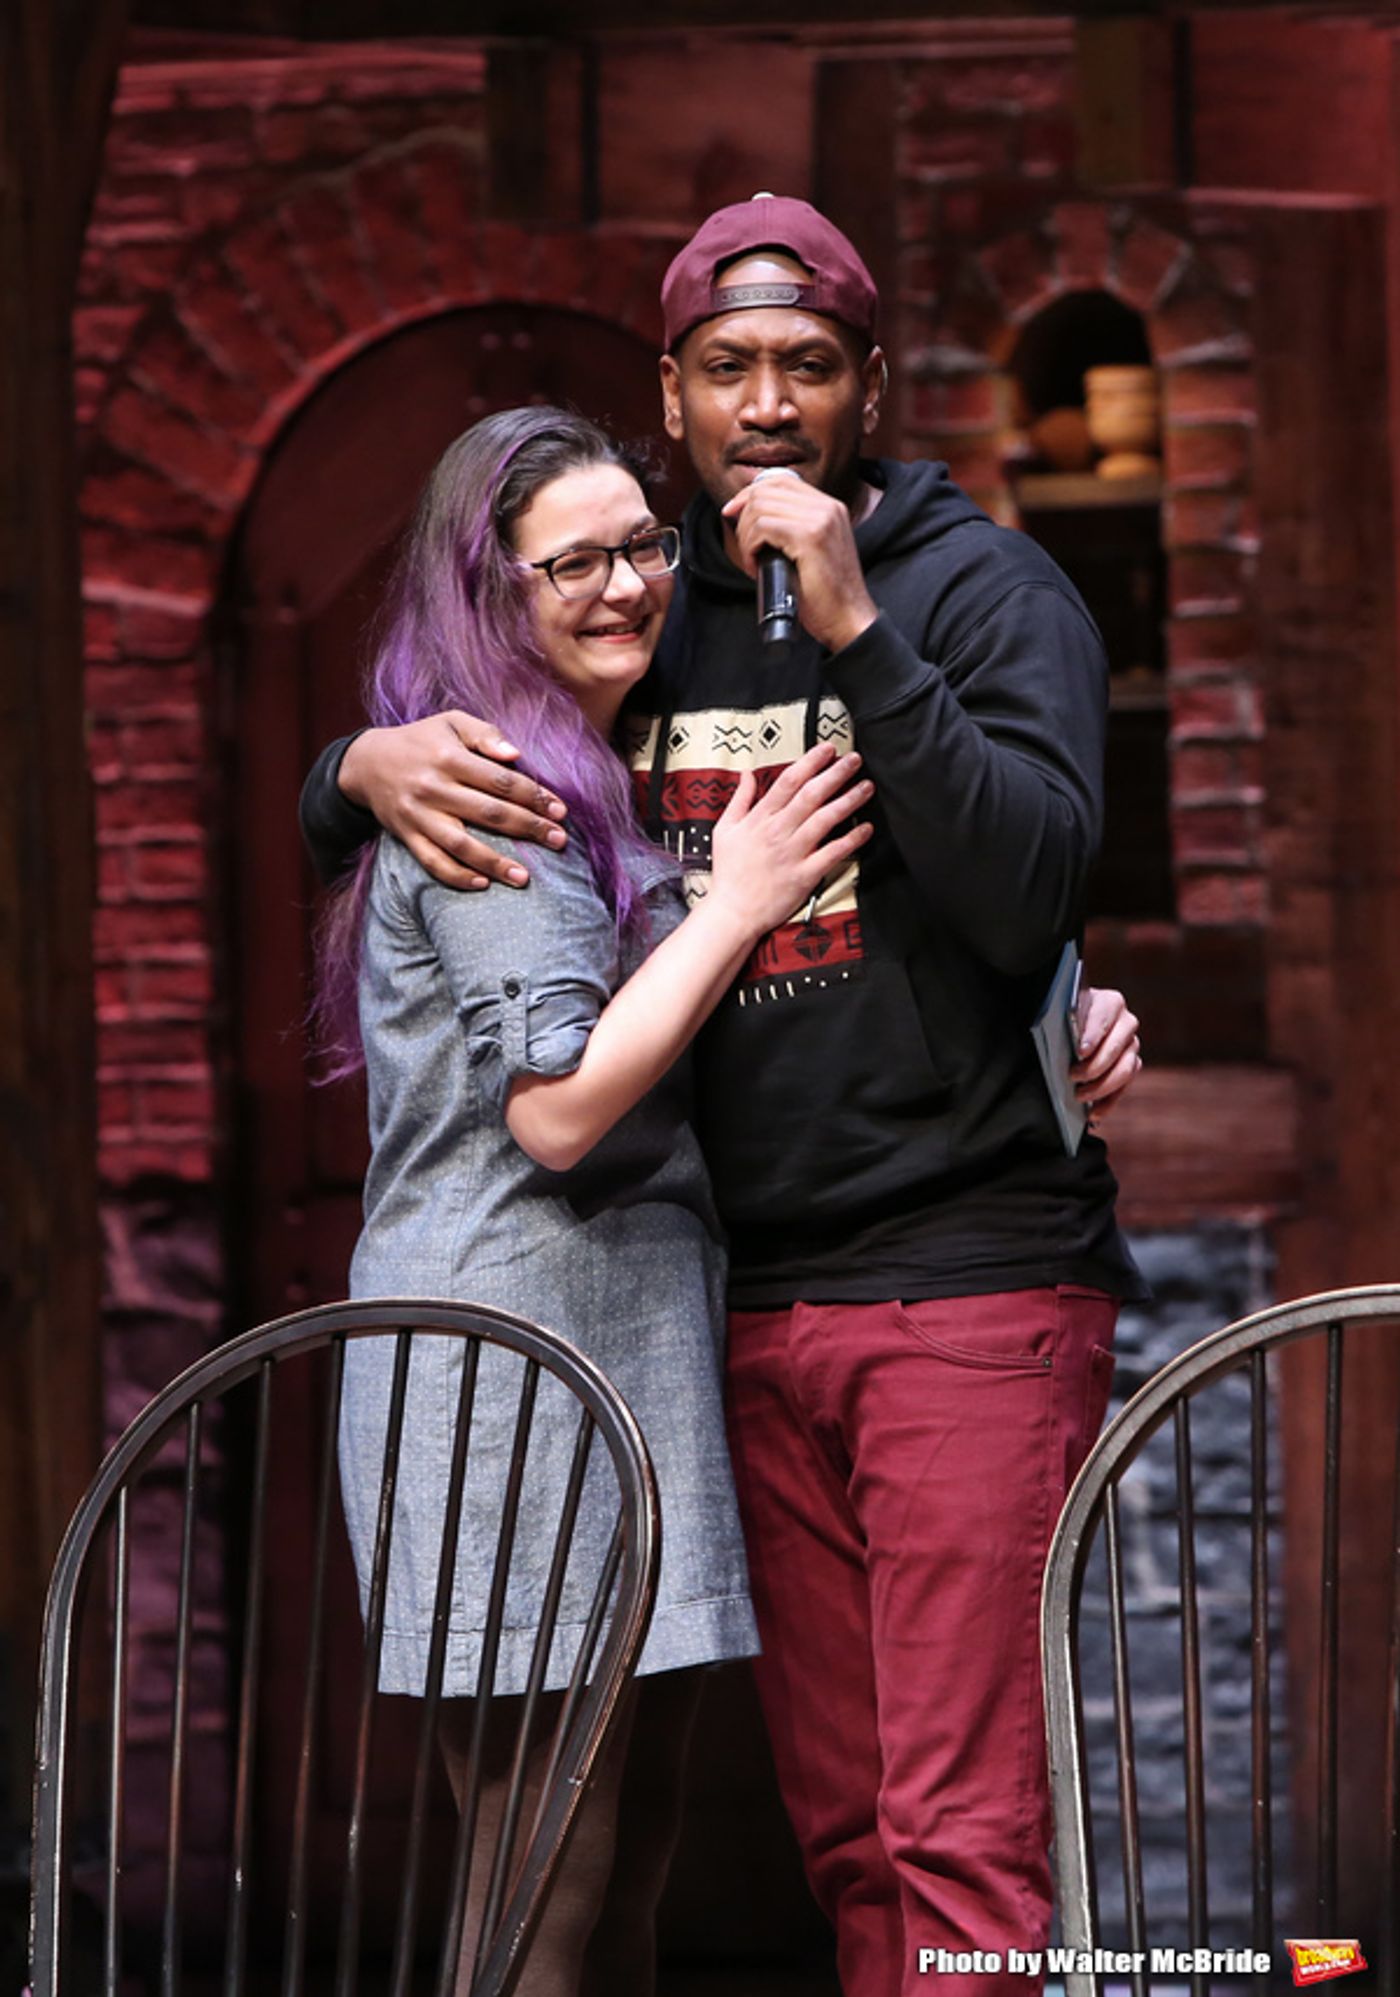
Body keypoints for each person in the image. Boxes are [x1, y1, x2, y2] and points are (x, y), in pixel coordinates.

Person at [302, 197, 1147, 1997]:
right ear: (673, 396)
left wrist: (861, 634)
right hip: (737, 1303)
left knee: (957, 1840)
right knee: (837, 1836)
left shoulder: (983, 591)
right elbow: (481, 727)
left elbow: (1026, 886)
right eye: (728, 367)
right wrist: (351, 766)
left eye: (810, 366)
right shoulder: (642, 608)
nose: (769, 403)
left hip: (962, 1271)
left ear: (868, 388)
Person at [320, 402, 873, 1997]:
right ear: (488, 589)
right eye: (573, 561)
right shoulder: (492, 794)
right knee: (541, 1889)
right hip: (514, 1373)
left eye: (643, 545)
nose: (626, 583)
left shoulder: (593, 766)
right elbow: (558, 1106)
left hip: (616, 1353)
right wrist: (739, 903)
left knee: (621, 1876)